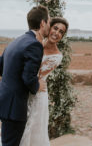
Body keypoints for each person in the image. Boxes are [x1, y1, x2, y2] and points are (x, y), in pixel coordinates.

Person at [0, 5, 50, 146]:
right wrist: (37, 86)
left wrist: (12, 81)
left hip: (5, 101)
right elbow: (28, 78)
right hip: (14, 106)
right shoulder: (34, 45)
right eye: (49, 22)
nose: (49, 26)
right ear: (42, 23)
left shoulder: (17, 40)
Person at [20, 17, 69, 146]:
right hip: (25, 90)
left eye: (61, 32)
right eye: (55, 28)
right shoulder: (36, 43)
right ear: (49, 28)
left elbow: (37, 73)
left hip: (38, 93)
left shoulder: (57, 56)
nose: (57, 33)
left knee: (34, 126)